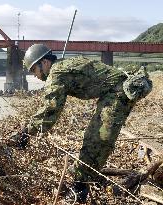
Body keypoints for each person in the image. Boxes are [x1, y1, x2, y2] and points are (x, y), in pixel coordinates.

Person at [10, 44, 153, 203]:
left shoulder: (56, 73)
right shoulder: (63, 66)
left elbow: (49, 111)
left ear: (44, 63)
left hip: (119, 91)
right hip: (115, 90)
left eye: (33, 70)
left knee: (97, 139)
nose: (35, 76)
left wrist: (25, 133)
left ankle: (80, 187)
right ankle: (88, 175)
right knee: (94, 136)